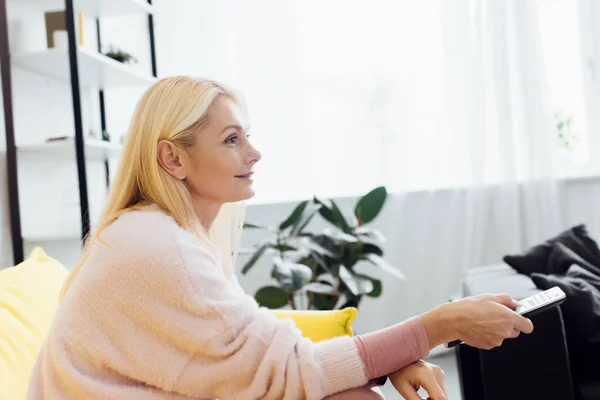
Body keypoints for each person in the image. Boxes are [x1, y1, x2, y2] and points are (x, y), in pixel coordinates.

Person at [28, 76, 534, 400]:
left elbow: (263, 356)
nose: (254, 153)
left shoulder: (167, 233)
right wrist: (440, 324)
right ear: (173, 158)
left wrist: (393, 358)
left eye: (246, 135)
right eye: (232, 139)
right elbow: (288, 372)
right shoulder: (155, 245)